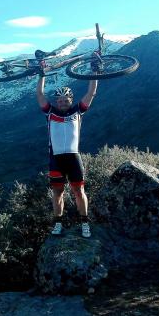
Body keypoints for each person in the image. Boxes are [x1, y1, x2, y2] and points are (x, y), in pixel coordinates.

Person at [36, 61, 98, 238]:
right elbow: (39, 94)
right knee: (57, 193)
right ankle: (58, 224)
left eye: (66, 100)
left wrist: (94, 71)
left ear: (71, 100)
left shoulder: (78, 111)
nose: (63, 102)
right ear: (57, 101)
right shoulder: (50, 113)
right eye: (60, 100)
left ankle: (85, 223)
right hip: (56, 159)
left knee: (79, 191)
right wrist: (42, 74)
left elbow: (91, 92)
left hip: (73, 158)